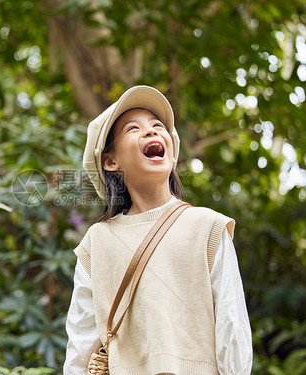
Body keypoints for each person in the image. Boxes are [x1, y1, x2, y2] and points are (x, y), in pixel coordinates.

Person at [64, 85, 252, 374]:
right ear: (110, 161)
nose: (151, 132)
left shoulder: (208, 228)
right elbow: (80, 347)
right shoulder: (97, 243)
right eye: (133, 128)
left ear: (173, 153)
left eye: (157, 126)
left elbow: (232, 330)